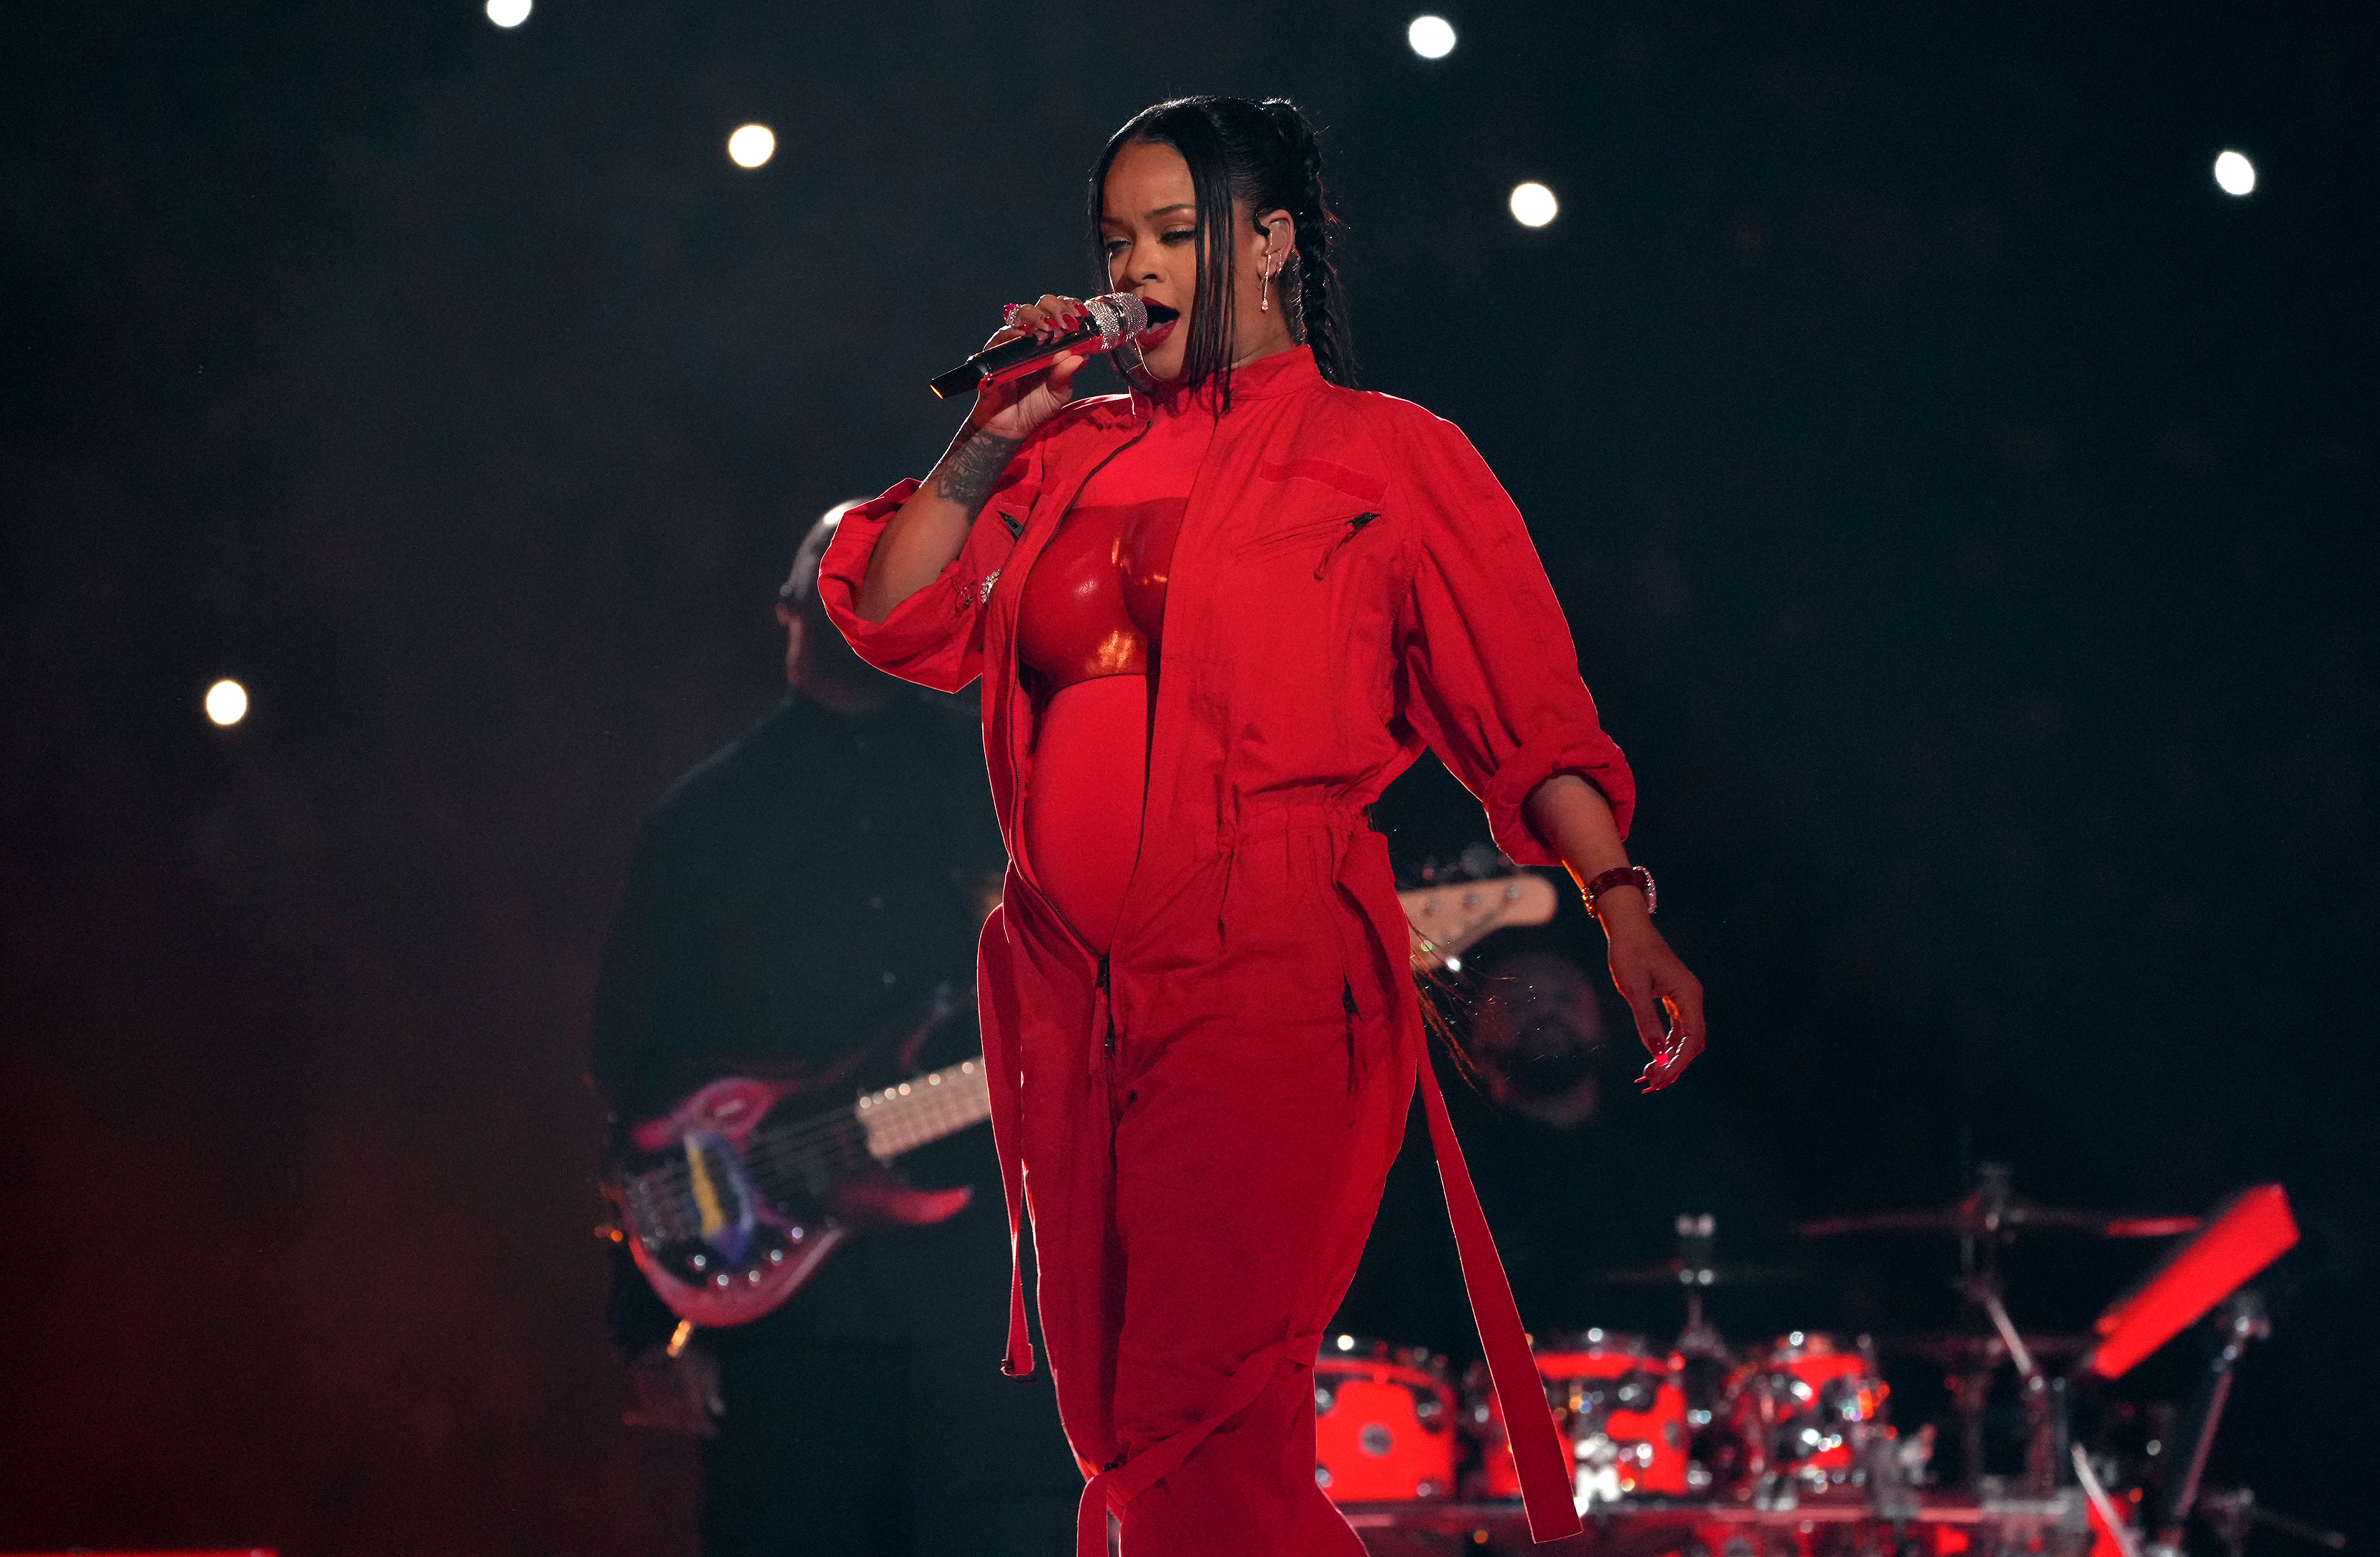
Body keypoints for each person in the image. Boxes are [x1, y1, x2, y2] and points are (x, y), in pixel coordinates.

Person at [818, 96, 1708, 1557]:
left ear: (1273, 241)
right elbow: (902, 611)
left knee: (1196, 1418)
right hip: (1069, 1003)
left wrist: (1618, 901)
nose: (1138, 266)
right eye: (1117, 239)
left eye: (1176, 233)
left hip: (1271, 976)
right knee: (1120, 1433)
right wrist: (990, 436)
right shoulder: (1062, 453)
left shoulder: (1389, 459)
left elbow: (1527, 716)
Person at [589, 509, 1080, 1557]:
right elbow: (633, 1068)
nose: (859, 563)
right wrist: (653, 1306)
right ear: (786, 602)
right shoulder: (704, 819)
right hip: (789, 1329)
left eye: (889, 548)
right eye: (832, 550)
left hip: (991, 1313)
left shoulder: (1011, 783)